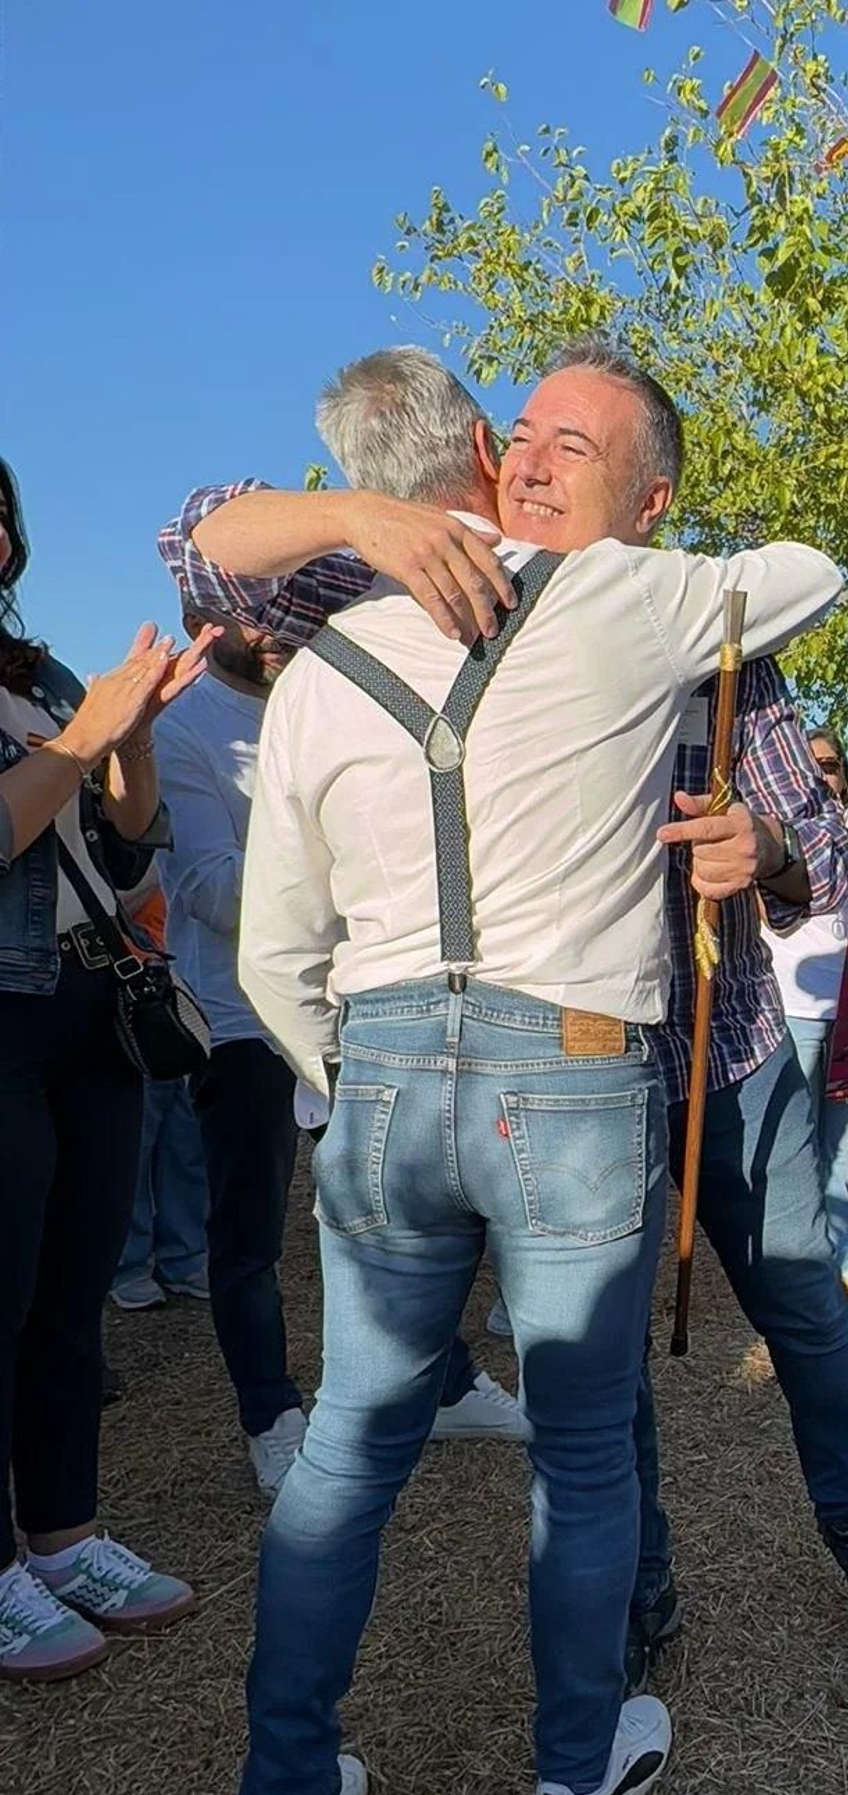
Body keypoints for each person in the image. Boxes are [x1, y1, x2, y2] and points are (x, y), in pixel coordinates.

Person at [196, 346, 844, 1795]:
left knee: (352, 1445)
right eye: (528, 438)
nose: (540, 462)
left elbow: (278, 948)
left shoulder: (323, 659)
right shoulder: (632, 597)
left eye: (575, 443)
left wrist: (344, 1070)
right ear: (479, 454)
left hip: (388, 1069)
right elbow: (811, 570)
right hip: (570, 1069)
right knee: (578, 1445)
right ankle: (571, 1774)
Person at [152, 568, 523, 1497]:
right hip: (243, 1024)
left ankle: (441, 1384)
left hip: (367, 1007)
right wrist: (348, 882)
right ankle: (273, 1414)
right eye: (255, 611)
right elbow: (205, 888)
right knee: (249, 1239)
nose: (280, 626)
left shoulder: (329, 692)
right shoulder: (183, 728)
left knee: (407, 1209)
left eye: (290, 608)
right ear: (202, 623)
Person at [0, 456, 211, 1682]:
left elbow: (131, 850)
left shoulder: (45, 677)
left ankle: (65, 1536)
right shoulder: (55, 707)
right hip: (4, 1019)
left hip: (92, 1010)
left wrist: (123, 744)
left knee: (70, 1296)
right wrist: (81, 740)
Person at [764, 738, 848, 1292]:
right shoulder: (769, 831)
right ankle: (791, 1251)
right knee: (793, 1138)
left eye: (833, 765)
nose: (823, 774)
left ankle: (843, 1248)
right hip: (793, 1006)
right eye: (811, 764)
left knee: (839, 1142)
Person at [108, 887, 210, 1311]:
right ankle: (128, 1266)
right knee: (137, 1144)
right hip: (131, 986)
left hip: (178, 987)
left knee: (184, 1139)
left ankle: (185, 1255)